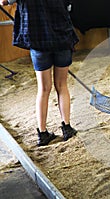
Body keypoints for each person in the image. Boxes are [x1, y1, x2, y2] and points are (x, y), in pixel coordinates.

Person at [0, 0, 79, 146]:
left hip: (38, 40)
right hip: (62, 38)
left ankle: (42, 134)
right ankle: (66, 127)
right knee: (62, 85)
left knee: (43, 89)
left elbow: (4, 1)